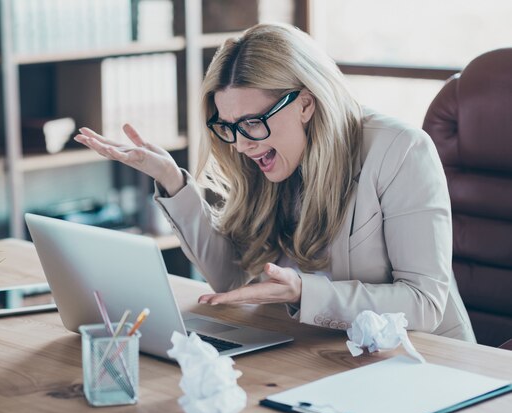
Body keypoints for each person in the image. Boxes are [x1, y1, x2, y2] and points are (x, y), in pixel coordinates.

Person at [75, 23, 475, 342]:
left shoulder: (401, 150)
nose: (242, 144)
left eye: (253, 122)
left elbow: (423, 304)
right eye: (228, 126)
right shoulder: (266, 157)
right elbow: (232, 278)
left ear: (305, 102)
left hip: (426, 361)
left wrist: (305, 293)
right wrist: (170, 179)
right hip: (322, 352)